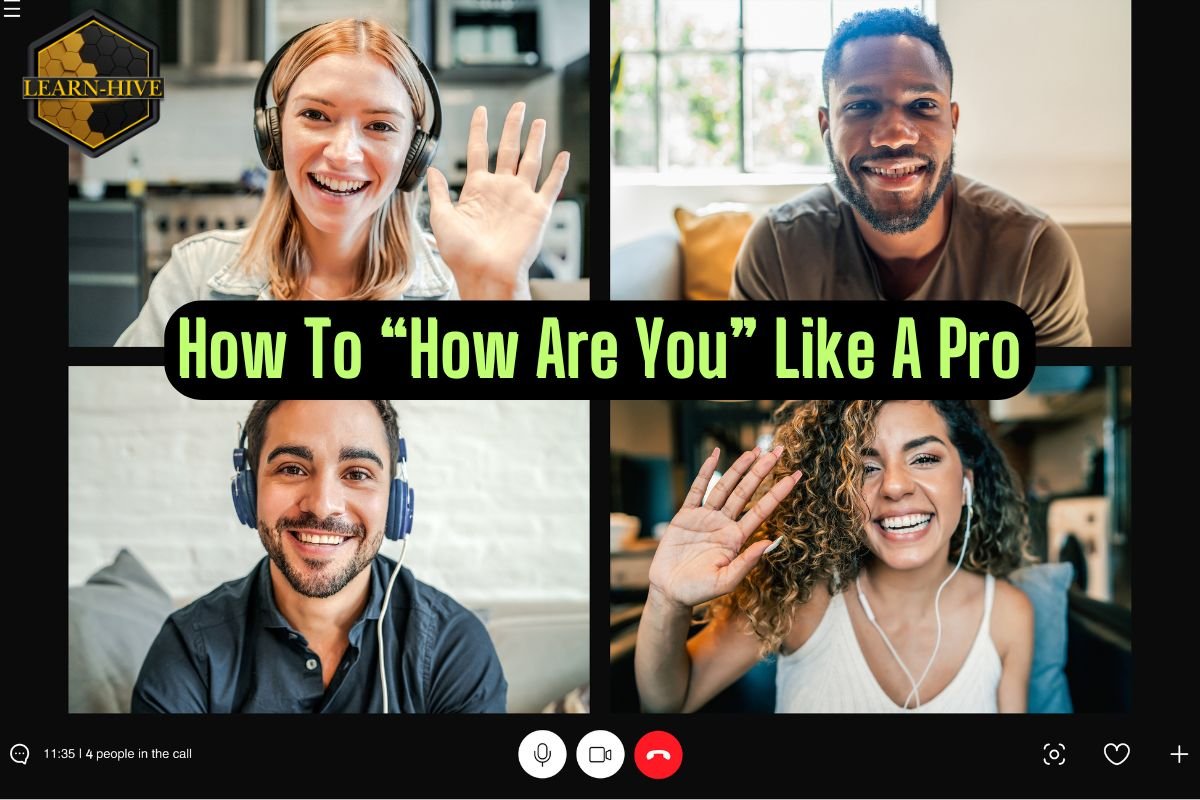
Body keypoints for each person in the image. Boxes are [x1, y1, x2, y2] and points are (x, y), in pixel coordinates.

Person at [116, 18, 569, 346]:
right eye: (315, 115)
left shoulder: (458, 286)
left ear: (415, 154)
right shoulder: (195, 279)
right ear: (272, 133)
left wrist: (498, 291)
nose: (343, 153)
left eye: (380, 126)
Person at [635, 399, 1034, 713]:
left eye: (924, 458)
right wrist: (666, 598)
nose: (895, 485)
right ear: (838, 495)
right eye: (865, 467)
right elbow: (669, 701)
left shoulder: (1008, 614)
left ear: (967, 481)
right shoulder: (803, 597)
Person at [729, 9, 1090, 348]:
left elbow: (1064, 406)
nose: (894, 135)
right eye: (861, 106)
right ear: (826, 126)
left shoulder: (1032, 252)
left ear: (953, 121)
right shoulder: (778, 247)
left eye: (922, 105)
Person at [131, 399, 507, 713]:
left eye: (357, 473)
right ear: (248, 492)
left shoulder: (452, 647)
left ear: (396, 502)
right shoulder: (189, 650)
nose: (323, 506)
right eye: (292, 468)